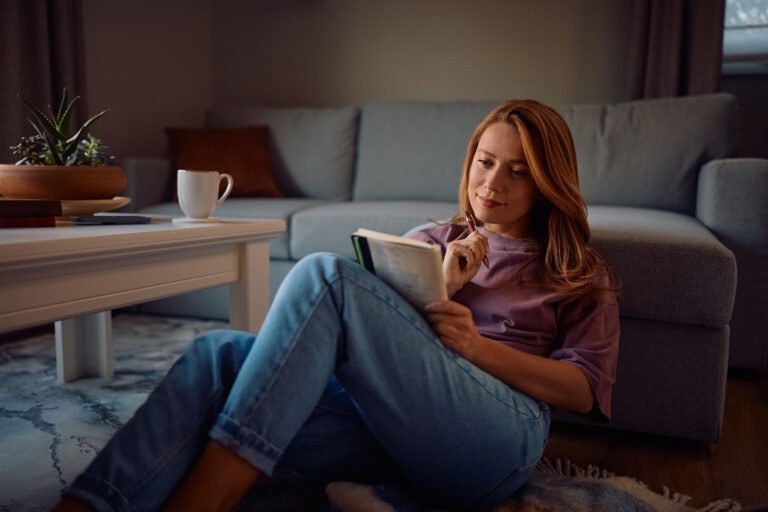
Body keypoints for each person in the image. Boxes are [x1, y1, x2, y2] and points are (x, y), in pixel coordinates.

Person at [53, 99, 619, 511]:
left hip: (497, 441)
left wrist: (476, 348)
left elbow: (582, 389)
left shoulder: (575, 270)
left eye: (518, 170)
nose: (492, 182)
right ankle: (90, 504)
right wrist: (443, 285)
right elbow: (367, 346)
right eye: (485, 161)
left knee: (326, 274)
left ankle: (207, 501)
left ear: (546, 182)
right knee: (217, 354)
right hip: (392, 436)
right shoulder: (430, 241)